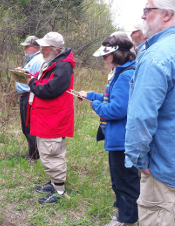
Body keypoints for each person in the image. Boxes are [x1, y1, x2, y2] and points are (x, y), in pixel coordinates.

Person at [124, 0, 175, 226]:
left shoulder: (158, 56)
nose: (142, 15)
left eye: (148, 10)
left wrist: (139, 160)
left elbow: (140, 119)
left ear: (167, 14)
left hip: (170, 174)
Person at [79, 34, 139, 226]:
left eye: (106, 56)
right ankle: (123, 215)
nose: (104, 59)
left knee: (125, 183)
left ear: (119, 54)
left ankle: (127, 220)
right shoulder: (120, 72)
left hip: (122, 139)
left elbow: (116, 109)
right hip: (118, 138)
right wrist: (90, 95)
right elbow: (111, 98)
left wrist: (95, 105)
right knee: (119, 181)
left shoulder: (125, 74)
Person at [26, 32, 75, 204]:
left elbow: (49, 90)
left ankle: (60, 192)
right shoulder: (53, 63)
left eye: (44, 48)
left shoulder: (63, 66)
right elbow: (45, 85)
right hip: (47, 117)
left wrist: (31, 82)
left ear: (55, 49)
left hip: (54, 119)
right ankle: (54, 183)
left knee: (53, 153)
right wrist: (32, 79)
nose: (41, 51)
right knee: (47, 151)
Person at [16, 36, 43, 161]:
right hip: (25, 96)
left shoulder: (38, 59)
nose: (25, 49)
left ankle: (34, 155)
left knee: (29, 126)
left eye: (28, 46)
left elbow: (37, 79)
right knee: (26, 126)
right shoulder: (31, 59)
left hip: (30, 96)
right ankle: (32, 152)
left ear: (36, 47)